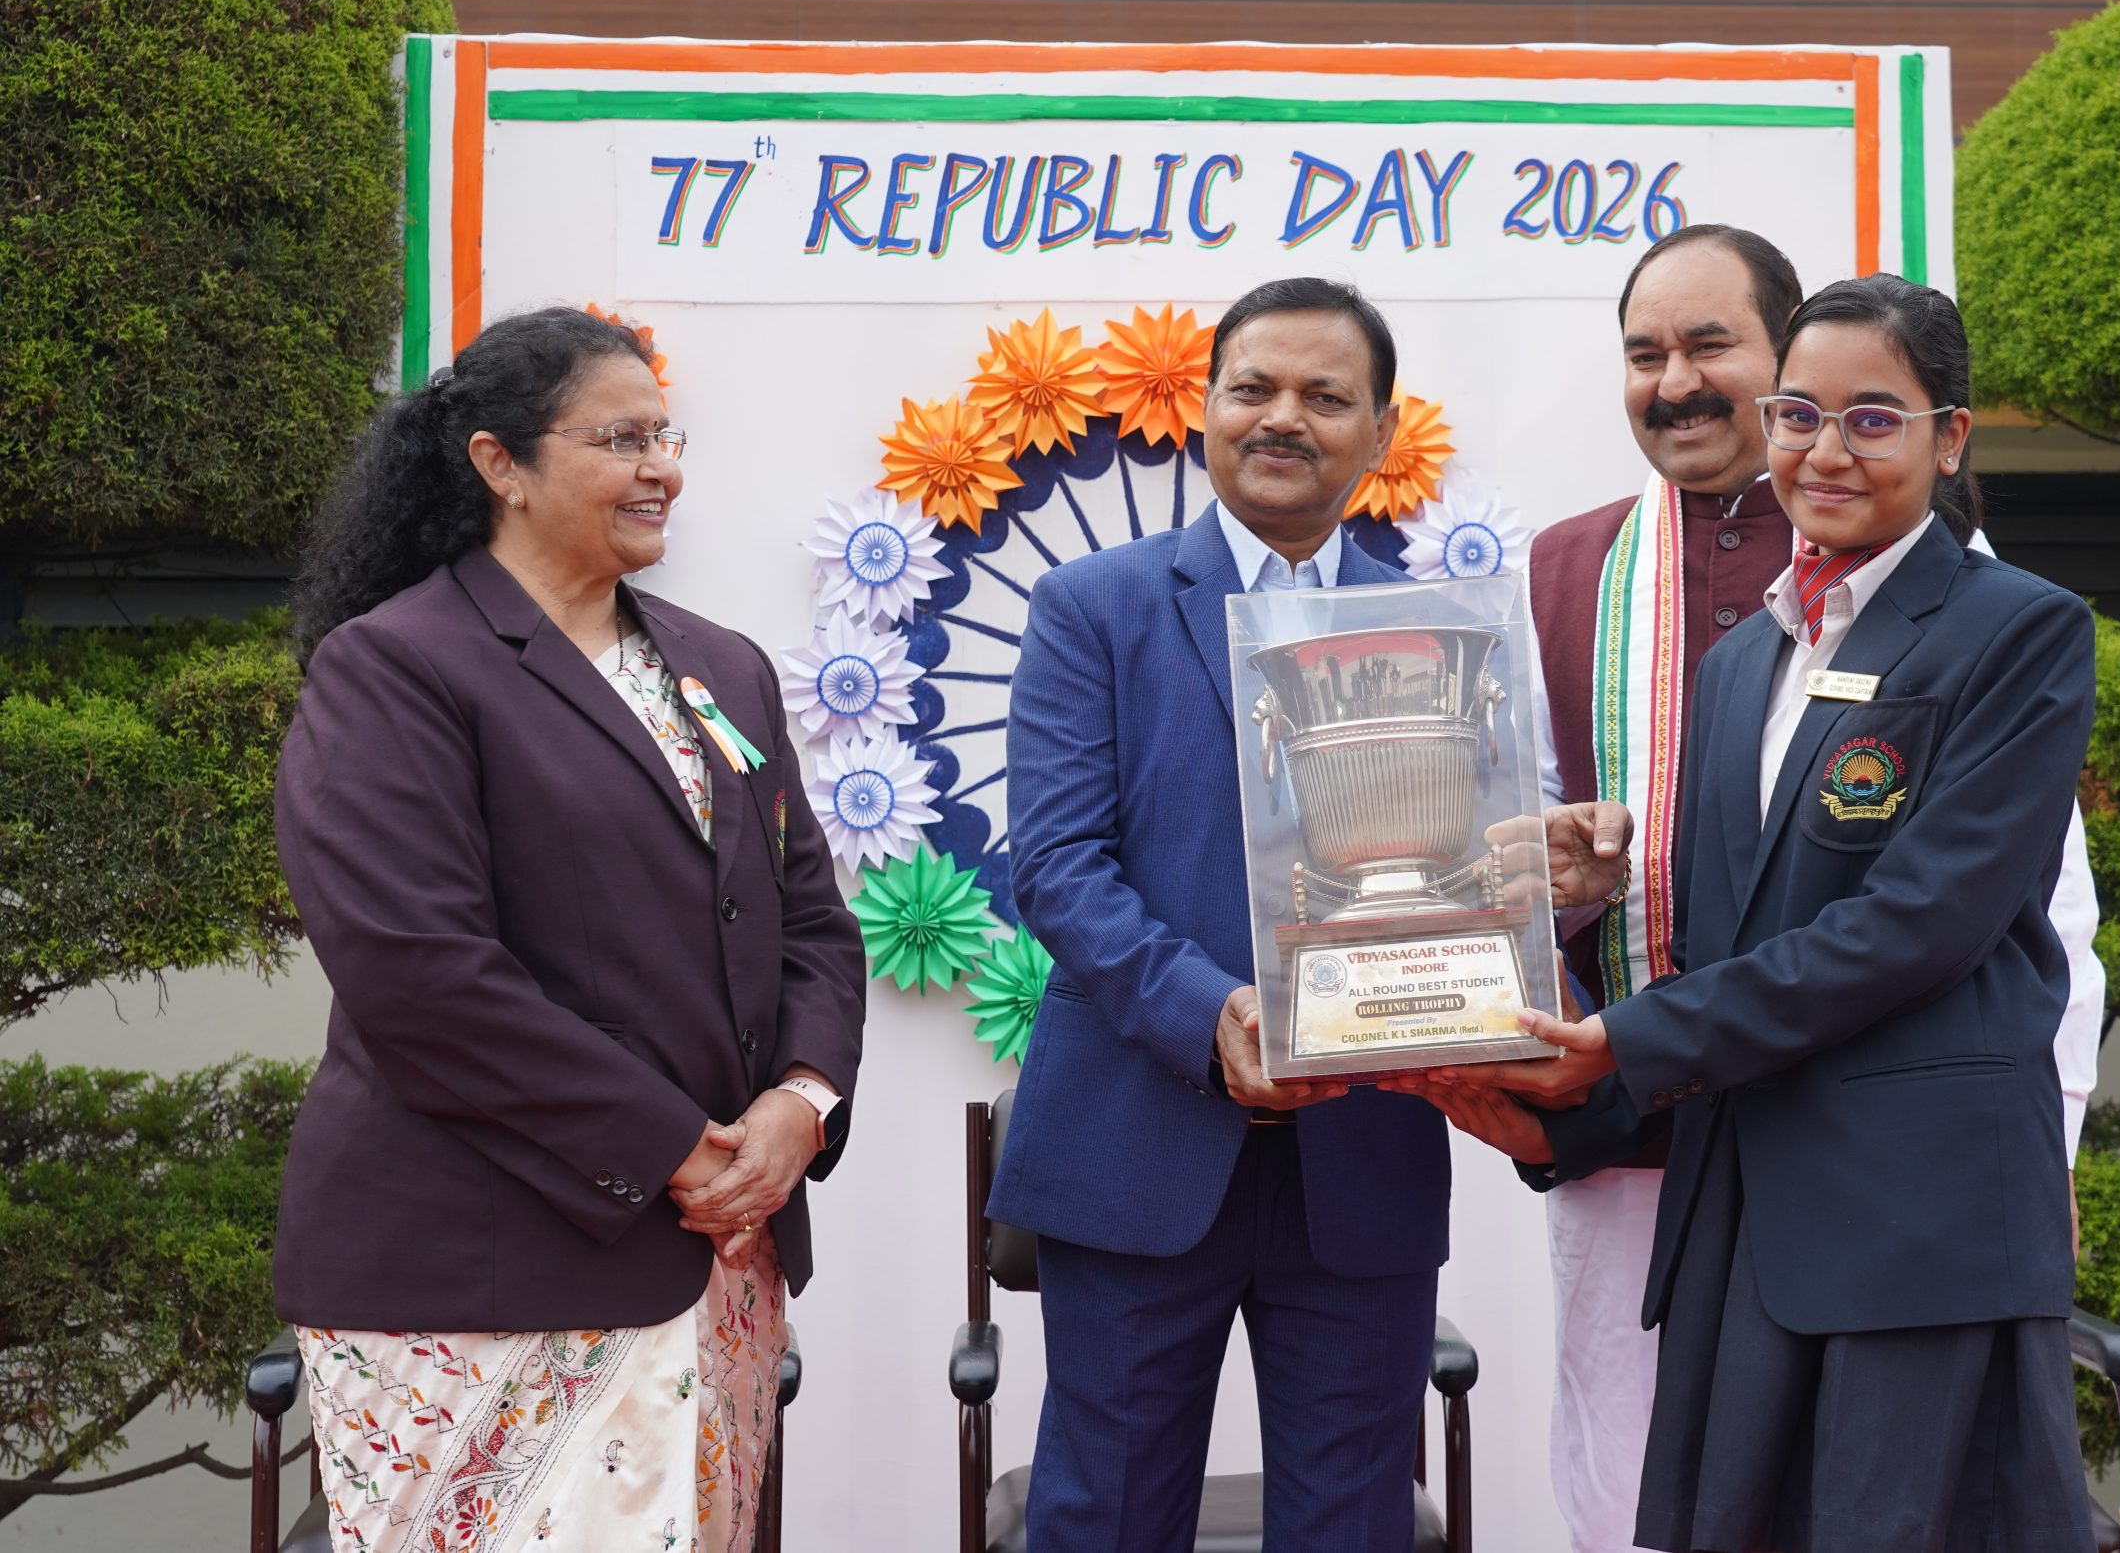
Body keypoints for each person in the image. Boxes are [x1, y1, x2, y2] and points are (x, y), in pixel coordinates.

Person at [1393, 274, 2097, 1553]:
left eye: (1871, 420)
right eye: (1799, 416)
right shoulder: (1743, 665)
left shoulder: (2019, 630)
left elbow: (1920, 925)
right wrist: (1558, 1112)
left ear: (1949, 438)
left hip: (1916, 1225)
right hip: (1748, 1220)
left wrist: (1621, 1045)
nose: (1824, 452)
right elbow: (1733, 955)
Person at [990, 277, 1627, 1552]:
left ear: (1380, 432)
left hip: (1366, 1152)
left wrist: (1543, 873)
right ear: (1205, 408)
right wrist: (1213, 1015)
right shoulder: (1093, 606)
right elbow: (1057, 867)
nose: (1283, 417)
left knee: (1351, 1523)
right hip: (1138, 1143)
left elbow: (1457, 882)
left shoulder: (1444, 631)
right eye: (1254, 388)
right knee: (1104, 1519)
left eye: (1325, 397)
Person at [273, 307, 867, 1553]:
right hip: (477, 1275)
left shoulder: (723, 669)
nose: (663, 470)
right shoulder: (395, 668)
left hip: (717, 1261)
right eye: (621, 439)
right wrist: (673, 1147)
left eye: (667, 437)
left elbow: (809, 920)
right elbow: (420, 975)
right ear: (500, 464)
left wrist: (799, 1103)